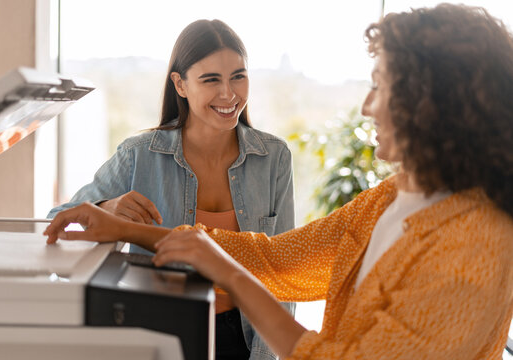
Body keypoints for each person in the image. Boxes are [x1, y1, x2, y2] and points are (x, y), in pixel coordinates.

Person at [45, 4, 513, 359]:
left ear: (435, 107)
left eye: (381, 85)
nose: (367, 106)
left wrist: (227, 273)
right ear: (180, 85)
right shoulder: (392, 198)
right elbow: (279, 259)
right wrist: (126, 227)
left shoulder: (474, 245)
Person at [47, 19, 296, 360]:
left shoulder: (274, 158)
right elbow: (55, 222)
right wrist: (106, 206)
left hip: (245, 338)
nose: (229, 94)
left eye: (238, 76)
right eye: (211, 80)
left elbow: (284, 270)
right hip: (157, 329)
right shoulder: (138, 154)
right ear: (180, 84)